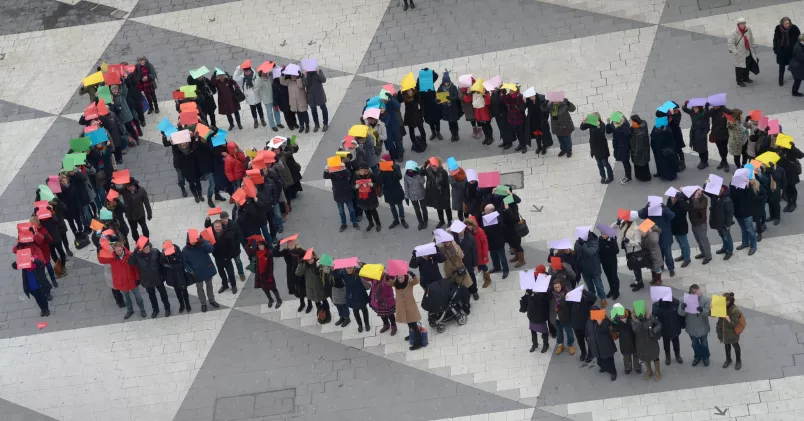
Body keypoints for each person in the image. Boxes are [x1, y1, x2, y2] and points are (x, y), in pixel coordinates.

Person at [98, 242, 146, 320]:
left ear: (122, 248)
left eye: (120, 250)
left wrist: (138, 279)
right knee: (126, 299)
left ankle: (142, 310)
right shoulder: (111, 258)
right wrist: (99, 252)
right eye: (117, 251)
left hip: (132, 281)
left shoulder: (130, 255)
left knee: (139, 298)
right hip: (122, 282)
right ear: (114, 250)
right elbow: (102, 260)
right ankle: (130, 310)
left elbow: (135, 268)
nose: (119, 252)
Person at [129, 239, 170, 318]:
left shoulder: (155, 251)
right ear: (141, 249)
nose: (147, 249)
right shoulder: (137, 256)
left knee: (163, 295)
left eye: (148, 247)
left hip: (158, 278)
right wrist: (133, 253)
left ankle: (167, 308)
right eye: (145, 248)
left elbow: (161, 262)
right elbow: (131, 262)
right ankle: (155, 310)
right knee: (152, 296)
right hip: (147, 280)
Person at [182, 232, 220, 312]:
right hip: (196, 273)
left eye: (195, 240)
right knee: (199, 288)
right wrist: (190, 271)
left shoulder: (202, 244)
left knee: (209, 285)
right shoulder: (185, 250)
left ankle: (212, 300)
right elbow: (185, 263)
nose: (194, 242)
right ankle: (203, 303)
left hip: (207, 269)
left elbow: (211, 249)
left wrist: (204, 242)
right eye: (192, 240)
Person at [273, 238, 312, 313]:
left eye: (291, 245)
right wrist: (278, 244)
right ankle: (302, 303)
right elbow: (274, 254)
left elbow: (308, 259)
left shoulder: (300, 251)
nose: (290, 246)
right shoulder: (286, 251)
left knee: (305, 288)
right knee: (297, 289)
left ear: (295, 244)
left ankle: (310, 304)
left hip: (301, 273)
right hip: (291, 273)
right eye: (288, 245)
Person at [638, 203, 676, 277]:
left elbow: (672, 216)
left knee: (668, 255)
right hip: (654, 239)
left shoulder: (664, 211)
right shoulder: (649, 211)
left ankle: (671, 268)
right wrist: (646, 208)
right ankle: (661, 267)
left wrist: (664, 208)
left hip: (665, 237)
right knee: (659, 255)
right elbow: (640, 214)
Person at [679, 284, 711, 367]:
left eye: (699, 293)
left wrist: (702, 310)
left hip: (702, 327)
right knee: (694, 344)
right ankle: (697, 356)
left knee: (704, 344)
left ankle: (705, 357)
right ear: (691, 294)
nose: (699, 295)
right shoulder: (684, 300)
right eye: (697, 294)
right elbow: (680, 314)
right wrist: (682, 308)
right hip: (691, 327)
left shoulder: (705, 300)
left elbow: (708, 313)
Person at [295, 252, 331, 323]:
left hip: (320, 287)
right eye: (308, 259)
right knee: (317, 302)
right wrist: (300, 263)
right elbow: (298, 273)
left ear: (313, 257)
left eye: (311, 258)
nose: (310, 261)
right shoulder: (305, 265)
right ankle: (320, 314)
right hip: (311, 289)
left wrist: (324, 267)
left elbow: (327, 271)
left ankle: (328, 314)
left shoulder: (319, 263)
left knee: (324, 301)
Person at [334, 263, 371, 332]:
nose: (349, 270)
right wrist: (334, 269)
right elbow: (336, 276)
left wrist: (362, 265)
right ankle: (360, 325)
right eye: (347, 268)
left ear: (354, 267)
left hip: (361, 294)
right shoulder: (343, 273)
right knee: (355, 312)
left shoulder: (358, 271)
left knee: (364, 310)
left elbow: (366, 270)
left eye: (351, 268)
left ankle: (367, 324)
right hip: (351, 296)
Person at [574, 231, 606, 305]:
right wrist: (578, 244)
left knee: (598, 285)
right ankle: (592, 298)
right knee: (590, 286)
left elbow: (590, 252)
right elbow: (576, 251)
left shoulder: (594, 241)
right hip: (584, 269)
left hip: (594, 268)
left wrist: (582, 244)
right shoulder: (579, 241)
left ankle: (603, 297)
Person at [586, 308, 618, 381]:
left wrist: (600, 324)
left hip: (605, 345)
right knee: (599, 359)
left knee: (608, 359)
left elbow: (606, 330)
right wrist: (588, 338)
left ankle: (613, 372)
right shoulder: (590, 319)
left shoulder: (605, 320)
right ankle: (603, 367)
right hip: (595, 344)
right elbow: (587, 329)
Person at [394, 271, 423, 350]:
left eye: (402, 277)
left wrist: (413, 274)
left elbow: (417, 280)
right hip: (403, 309)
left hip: (410, 308)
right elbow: (388, 282)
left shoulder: (409, 282)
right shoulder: (396, 284)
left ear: (405, 276)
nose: (400, 279)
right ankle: (412, 334)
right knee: (409, 323)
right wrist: (387, 276)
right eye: (399, 278)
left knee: (414, 325)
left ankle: (418, 343)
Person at [581, 113, 613, 183]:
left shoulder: (602, 125)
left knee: (605, 163)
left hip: (602, 148)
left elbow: (601, 134)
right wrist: (584, 122)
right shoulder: (591, 123)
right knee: (599, 164)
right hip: (594, 147)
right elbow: (582, 128)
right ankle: (603, 176)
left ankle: (610, 176)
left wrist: (598, 126)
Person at [161, 242, 193, 313]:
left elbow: (182, 263)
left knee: (184, 290)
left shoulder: (178, 252)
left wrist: (172, 265)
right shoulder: (164, 255)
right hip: (172, 276)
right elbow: (162, 263)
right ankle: (181, 304)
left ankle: (187, 304)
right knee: (177, 291)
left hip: (181, 274)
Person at [652, 296, 683, 365]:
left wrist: (682, 324)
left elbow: (680, 314)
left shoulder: (675, 301)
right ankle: (668, 356)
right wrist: (660, 305)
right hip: (664, 327)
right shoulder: (657, 303)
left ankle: (677, 355)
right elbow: (654, 313)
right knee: (666, 343)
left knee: (676, 342)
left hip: (675, 326)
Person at [729, 178, 757, 255]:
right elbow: (730, 196)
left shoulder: (746, 186)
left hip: (747, 212)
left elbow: (753, 197)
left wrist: (749, 186)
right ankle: (745, 243)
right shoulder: (732, 185)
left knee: (750, 230)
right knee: (743, 229)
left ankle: (753, 246)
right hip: (738, 212)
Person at [379, 154, 408, 229]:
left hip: (396, 189)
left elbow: (399, 177)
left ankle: (402, 219)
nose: (382, 163)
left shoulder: (396, 166)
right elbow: (380, 180)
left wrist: (393, 169)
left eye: (384, 161)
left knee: (400, 205)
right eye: (382, 161)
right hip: (387, 190)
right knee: (392, 206)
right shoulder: (382, 168)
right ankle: (395, 220)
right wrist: (382, 171)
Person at [728, 18, 758, 87]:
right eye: (741, 24)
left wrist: (752, 46)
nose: (743, 25)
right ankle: (739, 80)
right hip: (739, 54)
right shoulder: (734, 33)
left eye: (744, 23)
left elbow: (751, 38)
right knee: (739, 68)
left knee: (747, 66)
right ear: (738, 24)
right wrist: (736, 52)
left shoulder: (748, 29)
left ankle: (746, 78)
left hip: (747, 51)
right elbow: (730, 44)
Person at [717, 292, 744, 370]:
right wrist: (712, 308)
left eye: (724, 301)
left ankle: (738, 360)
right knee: (726, 344)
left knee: (735, 345)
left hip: (732, 332)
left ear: (729, 301)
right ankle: (728, 359)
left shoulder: (735, 311)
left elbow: (734, 324)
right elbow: (713, 315)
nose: (722, 303)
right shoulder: (721, 306)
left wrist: (728, 319)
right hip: (723, 330)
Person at [233, 63, 265, 128]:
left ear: (250, 70)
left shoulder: (255, 76)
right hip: (249, 97)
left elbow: (260, 83)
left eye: (248, 71)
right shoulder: (243, 78)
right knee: (253, 110)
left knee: (260, 108)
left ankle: (262, 119)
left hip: (257, 95)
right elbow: (235, 78)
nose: (247, 72)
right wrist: (239, 67)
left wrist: (257, 87)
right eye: (245, 71)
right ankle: (255, 120)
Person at [211, 219, 239, 294]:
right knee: (221, 273)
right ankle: (225, 285)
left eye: (219, 226)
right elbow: (207, 228)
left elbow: (232, 246)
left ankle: (233, 285)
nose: (217, 228)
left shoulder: (227, 234)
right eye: (216, 227)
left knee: (230, 273)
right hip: (218, 258)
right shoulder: (212, 234)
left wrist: (229, 256)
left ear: (221, 226)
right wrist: (207, 221)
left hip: (227, 257)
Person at [633, 310, 662, 381]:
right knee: (645, 357)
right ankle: (649, 371)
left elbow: (659, 324)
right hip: (641, 342)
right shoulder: (634, 319)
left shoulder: (650, 317)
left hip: (651, 341)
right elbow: (635, 330)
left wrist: (654, 330)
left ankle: (658, 372)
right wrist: (639, 322)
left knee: (655, 356)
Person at [708, 184, 735, 259]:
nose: (718, 191)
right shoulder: (715, 196)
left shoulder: (727, 200)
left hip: (724, 223)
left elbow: (730, 214)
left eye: (720, 189)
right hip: (718, 221)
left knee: (727, 236)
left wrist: (728, 225)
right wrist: (707, 183)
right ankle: (725, 247)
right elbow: (706, 190)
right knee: (722, 236)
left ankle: (729, 251)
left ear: (723, 189)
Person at [571, 288, 598, 363]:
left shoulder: (587, 301)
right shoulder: (571, 302)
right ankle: (583, 352)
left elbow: (594, 298)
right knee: (580, 341)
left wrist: (585, 291)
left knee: (589, 340)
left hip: (586, 326)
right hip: (576, 326)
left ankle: (591, 353)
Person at [423, 158, 452, 228]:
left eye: (434, 166)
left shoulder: (443, 172)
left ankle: (449, 221)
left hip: (443, 193)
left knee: (447, 208)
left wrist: (447, 196)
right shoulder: (428, 170)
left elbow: (446, 185)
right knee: (438, 208)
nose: (433, 167)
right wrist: (424, 165)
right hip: (435, 194)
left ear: (438, 165)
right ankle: (441, 221)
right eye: (432, 166)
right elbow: (421, 172)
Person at [482, 204, 509, 279]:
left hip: (498, 241)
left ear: (491, 211)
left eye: (486, 210)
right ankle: (496, 267)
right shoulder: (484, 216)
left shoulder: (498, 216)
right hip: (490, 241)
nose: (484, 211)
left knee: (502, 257)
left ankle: (505, 270)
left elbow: (503, 227)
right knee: (493, 256)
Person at [612, 308, 640, 374]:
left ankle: (637, 367)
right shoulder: (618, 322)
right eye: (622, 314)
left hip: (633, 341)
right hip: (625, 343)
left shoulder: (632, 320)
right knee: (626, 356)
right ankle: (628, 367)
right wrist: (614, 322)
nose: (624, 316)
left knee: (635, 355)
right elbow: (614, 330)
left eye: (626, 314)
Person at [775, 17, 802, 86]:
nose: (787, 25)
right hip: (782, 51)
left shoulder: (794, 28)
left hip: (791, 51)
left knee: (793, 64)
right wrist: (775, 49)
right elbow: (775, 39)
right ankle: (780, 80)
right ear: (782, 23)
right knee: (782, 66)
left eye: (788, 23)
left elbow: (799, 38)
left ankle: (795, 75)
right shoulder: (778, 28)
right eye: (785, 24)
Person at [550, 280, 575, 356]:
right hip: (556, 317)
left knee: (569, 332)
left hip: (565, 317)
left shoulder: (567, 293)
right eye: (555, 287)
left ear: (561, 285)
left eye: (558, 287)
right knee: (559, 332)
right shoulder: (551, 293)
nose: (557, 289)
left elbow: (571, 305)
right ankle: (560, 345)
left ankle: (570, 345)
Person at [355, 164, 382, 232]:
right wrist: (355, 186)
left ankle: (378, 224)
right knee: (366, 212)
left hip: (371, 198)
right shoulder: (357, 176)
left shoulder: (372, 176)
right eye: (361, 171)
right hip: (362, 198)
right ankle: (370, 223)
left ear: (367, 171)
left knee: (373, 211)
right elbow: (352, 184)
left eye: (364, 171)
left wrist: (373, 185)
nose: (362, 172)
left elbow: (379, 182)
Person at [666, 192, 691, 267]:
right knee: (679, 242)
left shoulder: (682, 203)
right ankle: (683, 255)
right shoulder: (669, 201)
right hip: (673, 226)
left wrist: (682, 199)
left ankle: (687, 258)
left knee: (684, 243)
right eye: (671, 197)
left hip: (681, 226)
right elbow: (667, 210)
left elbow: (688, 208)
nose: (673, 199)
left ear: (678, 197)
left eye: (674, 197)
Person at [465, 217, 491, 288]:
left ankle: (488, 280)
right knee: (479, 266)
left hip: (480, 254)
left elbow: (485, 243)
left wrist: (485, 254)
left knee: (483, 266)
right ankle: (484, 276)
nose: (468, 226)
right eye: (467, 225)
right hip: (474, 254)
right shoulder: (468, 231)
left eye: (469, 225)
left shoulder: (480, 231)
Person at [524, 89, 552, 155]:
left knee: (543, 135)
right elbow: (524, 107)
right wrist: (524, 101)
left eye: (532, 96)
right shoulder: (528, 100)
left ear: (535, 94)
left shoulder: (542, 98)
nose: (531, 98)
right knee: (537, 135)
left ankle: (545, 147)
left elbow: (546, 110)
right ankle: (539, 147)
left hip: (541, 121)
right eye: (530, 97)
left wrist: (545, 119)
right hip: (533, 121)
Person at [607, 113, 632, 183]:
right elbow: (608, 131)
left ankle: (628, 177)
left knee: (625, 162)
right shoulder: (615, 122)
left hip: (624, 147)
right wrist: (608, 123)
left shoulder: (625, 127)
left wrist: (617, 127)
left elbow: (627, 135)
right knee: (623, 161)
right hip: (617, 146)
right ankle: (627, 176)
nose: (613, 122)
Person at [524, 288, 550, 353]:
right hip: (532, 315)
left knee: (544, 330)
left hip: (540, 315)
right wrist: (528, 294)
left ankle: (546, 344)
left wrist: (534, 294)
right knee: (532, 330)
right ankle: (535, 344)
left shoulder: (542, 292)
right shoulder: (529, 292)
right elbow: (526, 302)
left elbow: (543, 300)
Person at [779, 143, 803, 212]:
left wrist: (792, 147)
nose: (780, 145)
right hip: (784, 173)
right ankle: (789, 203)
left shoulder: (792, 150)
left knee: (792, 188)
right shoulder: (781, 150)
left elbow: (801, 155)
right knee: (786, 189)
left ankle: (794, 203)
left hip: (792, 174)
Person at [438, 72, 462, 142]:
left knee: (454, 122)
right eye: (445, 82)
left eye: (447, 82)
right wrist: (438, 100)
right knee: (450, 123)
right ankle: (452, 135)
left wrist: (451, 98)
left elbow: (456, 96)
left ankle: (456, 134)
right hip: (446, 109)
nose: (446, 83)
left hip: (453, 108)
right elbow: (438, 96)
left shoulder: (453, 87)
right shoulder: (440, 88)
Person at [403, 161, 428, 230]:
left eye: (411, 168)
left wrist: (420, 175)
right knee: (417, 209)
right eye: (408, 168)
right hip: (412, 195)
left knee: (423, 208)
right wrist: (406, 196)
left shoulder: (419, 173)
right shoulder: (406, 176)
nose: (410, 170)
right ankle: (420, 221)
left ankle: (425, 221)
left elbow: (423, 182)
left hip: (421, 193)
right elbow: (406, 186)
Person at [503, 87, 528, 153]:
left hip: (520, 119)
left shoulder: (520, 96)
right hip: (512, 118)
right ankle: (520, 144)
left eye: (512, 90)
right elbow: (504, 102)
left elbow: (523, 109)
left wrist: (518, 106)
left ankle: (524, 146)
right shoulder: (508, 97)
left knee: (521, 133)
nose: (511, 91)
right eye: (510, 90)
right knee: (517, 133)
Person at [303, 67, 328, 132]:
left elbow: (324, 80)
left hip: (319, 95)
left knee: (324, 108)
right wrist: (305, 76)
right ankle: (316, 124)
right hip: (311, 96)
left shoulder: (318, 71)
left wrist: (318, 72)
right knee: (313, 111)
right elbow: (305, 85)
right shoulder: (305, 73)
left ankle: (325, 124)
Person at [628, 115, 652, 181]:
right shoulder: (642, 125)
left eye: (632, 121)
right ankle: (644, 176)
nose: (632, 123)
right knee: (643, 164)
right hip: (644, 151)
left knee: (640, 165)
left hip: (640, 152)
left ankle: (643, 177)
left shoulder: (639, 133)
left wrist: (636, 154)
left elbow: (639, 146)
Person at [598, 229, 620, 300]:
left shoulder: (612, 240)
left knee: (614, 277)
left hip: (612, 262)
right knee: (609, 277)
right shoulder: (600, 239)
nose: (604, 236)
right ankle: (612, 289)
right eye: (602, 234)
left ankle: (616, 291)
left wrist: (612, 242)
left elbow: (616, 251)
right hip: (604, 262)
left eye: (605, 234)